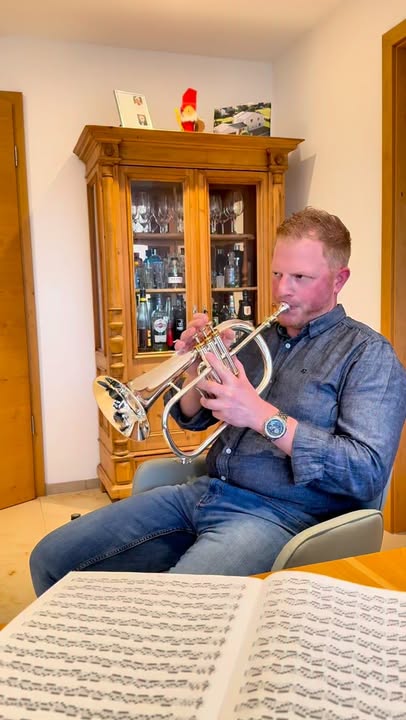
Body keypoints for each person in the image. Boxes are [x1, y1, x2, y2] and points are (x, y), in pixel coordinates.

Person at [30, 207, 406, 595]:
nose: (282, 290)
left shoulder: (368, 355)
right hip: (204, 491)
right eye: (277, 274)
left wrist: (263, 416)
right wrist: (195, 370)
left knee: (173, 608)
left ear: (339, 279)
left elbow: (366, 472)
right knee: (50, 558)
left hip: (279, 516)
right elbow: (194, 418)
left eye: (300, 277)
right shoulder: (258, 338)